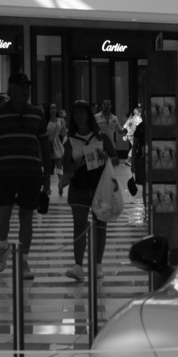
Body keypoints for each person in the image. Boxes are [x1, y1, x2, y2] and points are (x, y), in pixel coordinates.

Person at [0, 72, 49, 280]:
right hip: (4, 172)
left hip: (31, 173)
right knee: (3, 215)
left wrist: (47, 176)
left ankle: (24, 262)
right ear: (11, 90)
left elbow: (45, 145)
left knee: (27, 217)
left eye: (27, 87)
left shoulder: (37, 113)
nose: (26, 91)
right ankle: (3, 245)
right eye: (21, 87)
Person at [60, 100, 119, 281]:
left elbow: (116, 159)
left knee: (100, 223)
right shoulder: (70, 141)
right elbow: (66, 167)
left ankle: (98, 264)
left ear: (88, 115)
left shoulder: (101, 137)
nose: (79, 116)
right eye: (75, 113)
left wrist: (105, 157)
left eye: (82, 112)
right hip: (79, 187)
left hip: (99, 186)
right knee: (79, 225)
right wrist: (79, 163)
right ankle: (78, 265)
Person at [45, 102, 66, 196]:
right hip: (48, 144)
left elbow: (63, 132)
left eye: (54, 108)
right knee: (48, 167)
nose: (53, 109)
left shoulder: (60, 120)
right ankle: (47, 186)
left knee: (59, 165)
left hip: (57, 143)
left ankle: (60, 182)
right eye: (51, 108)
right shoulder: (46, 120)